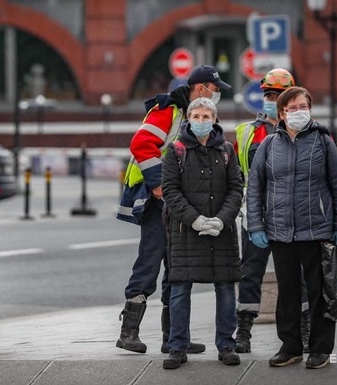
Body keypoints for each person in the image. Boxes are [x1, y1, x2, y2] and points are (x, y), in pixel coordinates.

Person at [116, 65, 231, 355]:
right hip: (157, 202)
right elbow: (141, 144)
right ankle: (129, 332)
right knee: (150, 262)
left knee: (177, 266)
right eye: (216, 90)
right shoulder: (168, 110)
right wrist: (158, 186)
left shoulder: (191, 114)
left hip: (176, 201)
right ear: (203, 88)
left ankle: (174, 337)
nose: (217, 96)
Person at [246, 86, 337, 369]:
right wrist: (256, 225)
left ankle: (320, 348)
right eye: (293, 108)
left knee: (319, 291)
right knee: (288, 291)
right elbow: (255, 187)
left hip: (317, 229)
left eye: (304, 106)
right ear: (281, 113)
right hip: (280, 231)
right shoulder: (269, 144)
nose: (300, 112)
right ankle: (290, 346)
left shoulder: (322, 140)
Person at [161, 97, 243, 369]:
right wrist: (195, 219)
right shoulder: (176, 150)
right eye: (195, 116)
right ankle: (177, 346)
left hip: (222, 231)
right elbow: (170, 191)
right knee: (180, 289)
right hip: (187, 230)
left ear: (215, 119)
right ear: (188, 119)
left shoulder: (227, 150)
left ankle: (227, 344)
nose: (200, 121)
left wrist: (221, 220)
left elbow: (236, 188)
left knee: (226, 287)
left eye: (206, 116)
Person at [232, 68, 310, 354]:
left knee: (296, 274)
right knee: (250, 272)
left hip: (291, 215)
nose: (271, 100)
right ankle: (244, 330)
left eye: (276, 96)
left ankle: (303, 326)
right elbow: (238, 175)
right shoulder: (247, 133)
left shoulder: (306, 133)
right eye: (268, 95)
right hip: (256, 214)